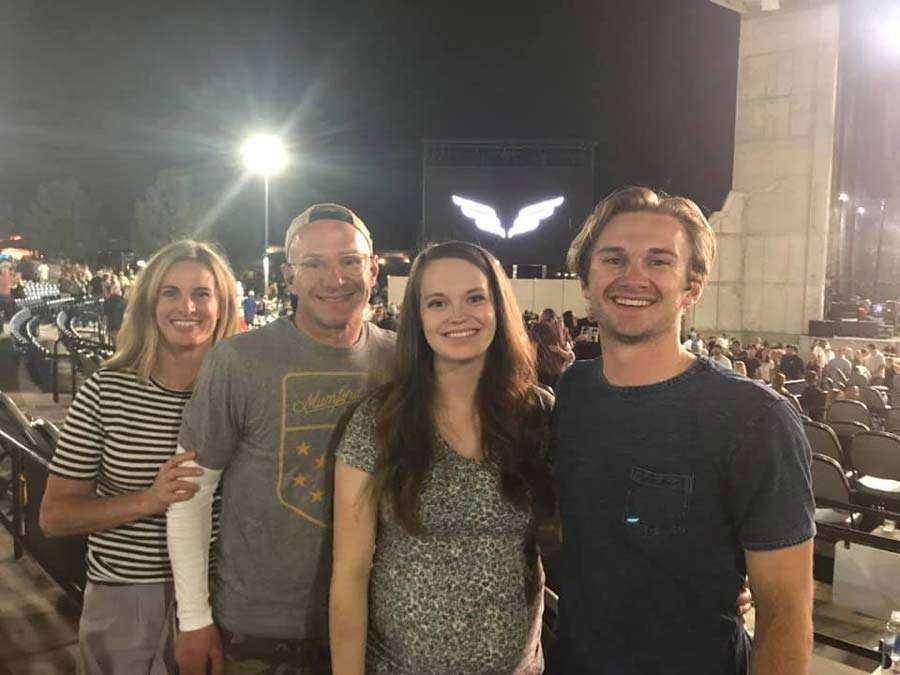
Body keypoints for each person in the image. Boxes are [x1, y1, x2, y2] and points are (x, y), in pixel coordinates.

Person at [553, 186, 814, 674]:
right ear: (585, 283)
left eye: (659, 261)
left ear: (692, 287)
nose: (634, 277)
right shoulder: (574, 392)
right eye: (613, 259)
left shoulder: (754, 418)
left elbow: (785, 614)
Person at [168, 204, 395, 675]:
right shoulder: (238, 360)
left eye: (350, 261)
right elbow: (190, 493)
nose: (334, 278)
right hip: (262, 637)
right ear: (289, 277)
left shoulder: (402, 360)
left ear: (373, 270)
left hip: (379, 628)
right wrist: (193, 619)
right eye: (314, 263)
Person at [330, 241, 554, 674]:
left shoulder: (537, 415)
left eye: (474, 298)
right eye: (437, 302)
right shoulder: (380, 420)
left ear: (498, 308)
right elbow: (350, 575)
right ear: (418, 318)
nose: (458, 315)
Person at [39, 240, 240, 674]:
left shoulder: (240, 393)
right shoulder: (106, 390)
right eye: (170, 292)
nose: (187, 306)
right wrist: (148, 500)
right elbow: (54, 517)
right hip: (127, 597)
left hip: (221, 595)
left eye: (202, 293)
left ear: (222, 305)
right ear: (149, 303)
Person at [102, 280, 126, 346]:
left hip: (112, 327)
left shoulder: (107, 302)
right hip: (121, 327)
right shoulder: (123, 301)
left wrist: (105, 328)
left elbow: (105, 316)